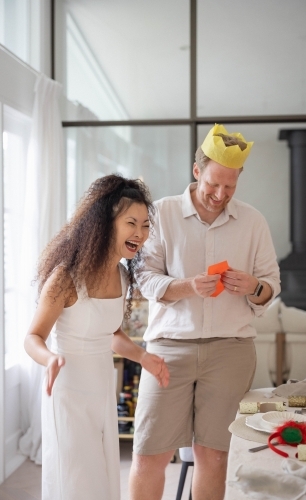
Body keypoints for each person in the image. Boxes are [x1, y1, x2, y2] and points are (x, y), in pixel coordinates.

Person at [129, 124, 281, 500]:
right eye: (214, 183)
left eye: (230, 186)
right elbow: (143, 277)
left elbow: (271, 286)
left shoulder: (253, 221)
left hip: (231, 351)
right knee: (149, 454)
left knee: (214, 457)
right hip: (167, 349)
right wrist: (185, 286)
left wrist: (253, 287)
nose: (220, 194)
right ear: (197, 171)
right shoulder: (160, 214)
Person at [24, 174, 169, 500]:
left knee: (101, 481)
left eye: (146, 225)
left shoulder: (120, 275)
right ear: (104, 223)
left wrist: (144, 357)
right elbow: (32, 336)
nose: (140, 233)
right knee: (75, 481)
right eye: (132, 222)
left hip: (102, 389)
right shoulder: (66, 277)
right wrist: (49, 359)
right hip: (68, 391)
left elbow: (111, 334)